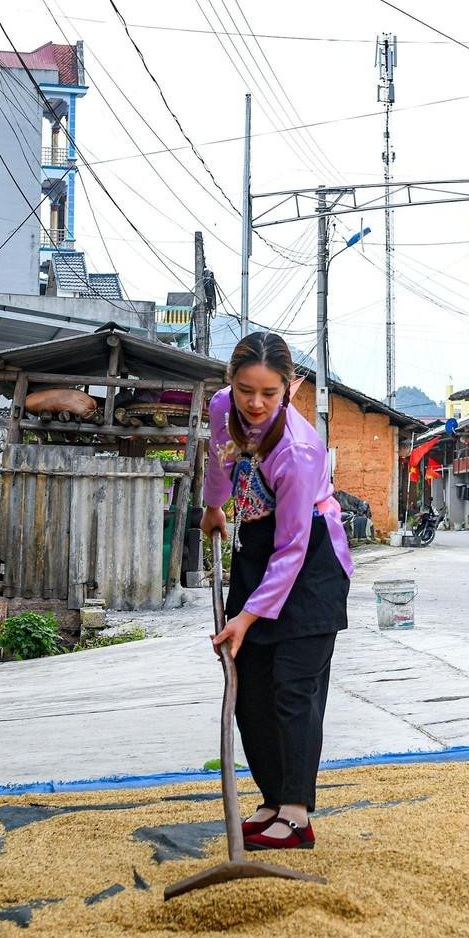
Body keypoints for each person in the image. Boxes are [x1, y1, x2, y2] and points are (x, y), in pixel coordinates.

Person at [199, 332, 353, 851]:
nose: (256, 404)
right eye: (246, 390)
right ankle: (269, 801)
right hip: (256, 549)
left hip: (310, 563)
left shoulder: (300, 450)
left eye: (269, 392)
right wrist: (214, 507)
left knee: (293, 689)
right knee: (251, 688)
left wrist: (246, 617)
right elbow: (219, 462)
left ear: (290, 387)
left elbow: (292, 548)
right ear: (231, 383)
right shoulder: (223, 409)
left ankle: (295, 814)